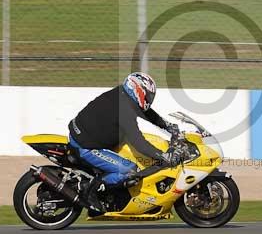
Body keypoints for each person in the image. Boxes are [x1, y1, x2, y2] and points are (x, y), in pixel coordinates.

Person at [68, 72, 182, 212]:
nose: (149, 99)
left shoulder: (122, 95)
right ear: (137, 90)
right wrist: (163, 155)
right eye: (147, 95)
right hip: (86, 146)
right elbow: (139, 142)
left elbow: (146, 112)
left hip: (84, 134)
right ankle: (90, 189)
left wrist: (167, 126)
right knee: (129, 170)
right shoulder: (124, 108)